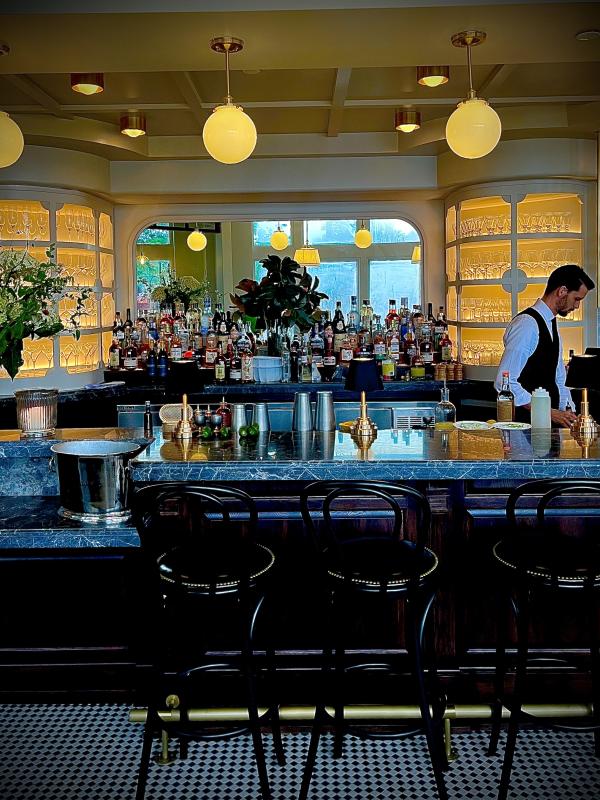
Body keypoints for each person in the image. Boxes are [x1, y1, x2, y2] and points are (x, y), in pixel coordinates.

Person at [494, 264, 595, 427]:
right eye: (577, 299)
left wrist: (568, 410)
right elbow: (504, 382)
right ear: (562, 291)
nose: (577, 306)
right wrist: (548, 412)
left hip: (547, 429)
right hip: (525, 429)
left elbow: (559, 376)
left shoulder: (550, 323)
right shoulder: (527, 324)